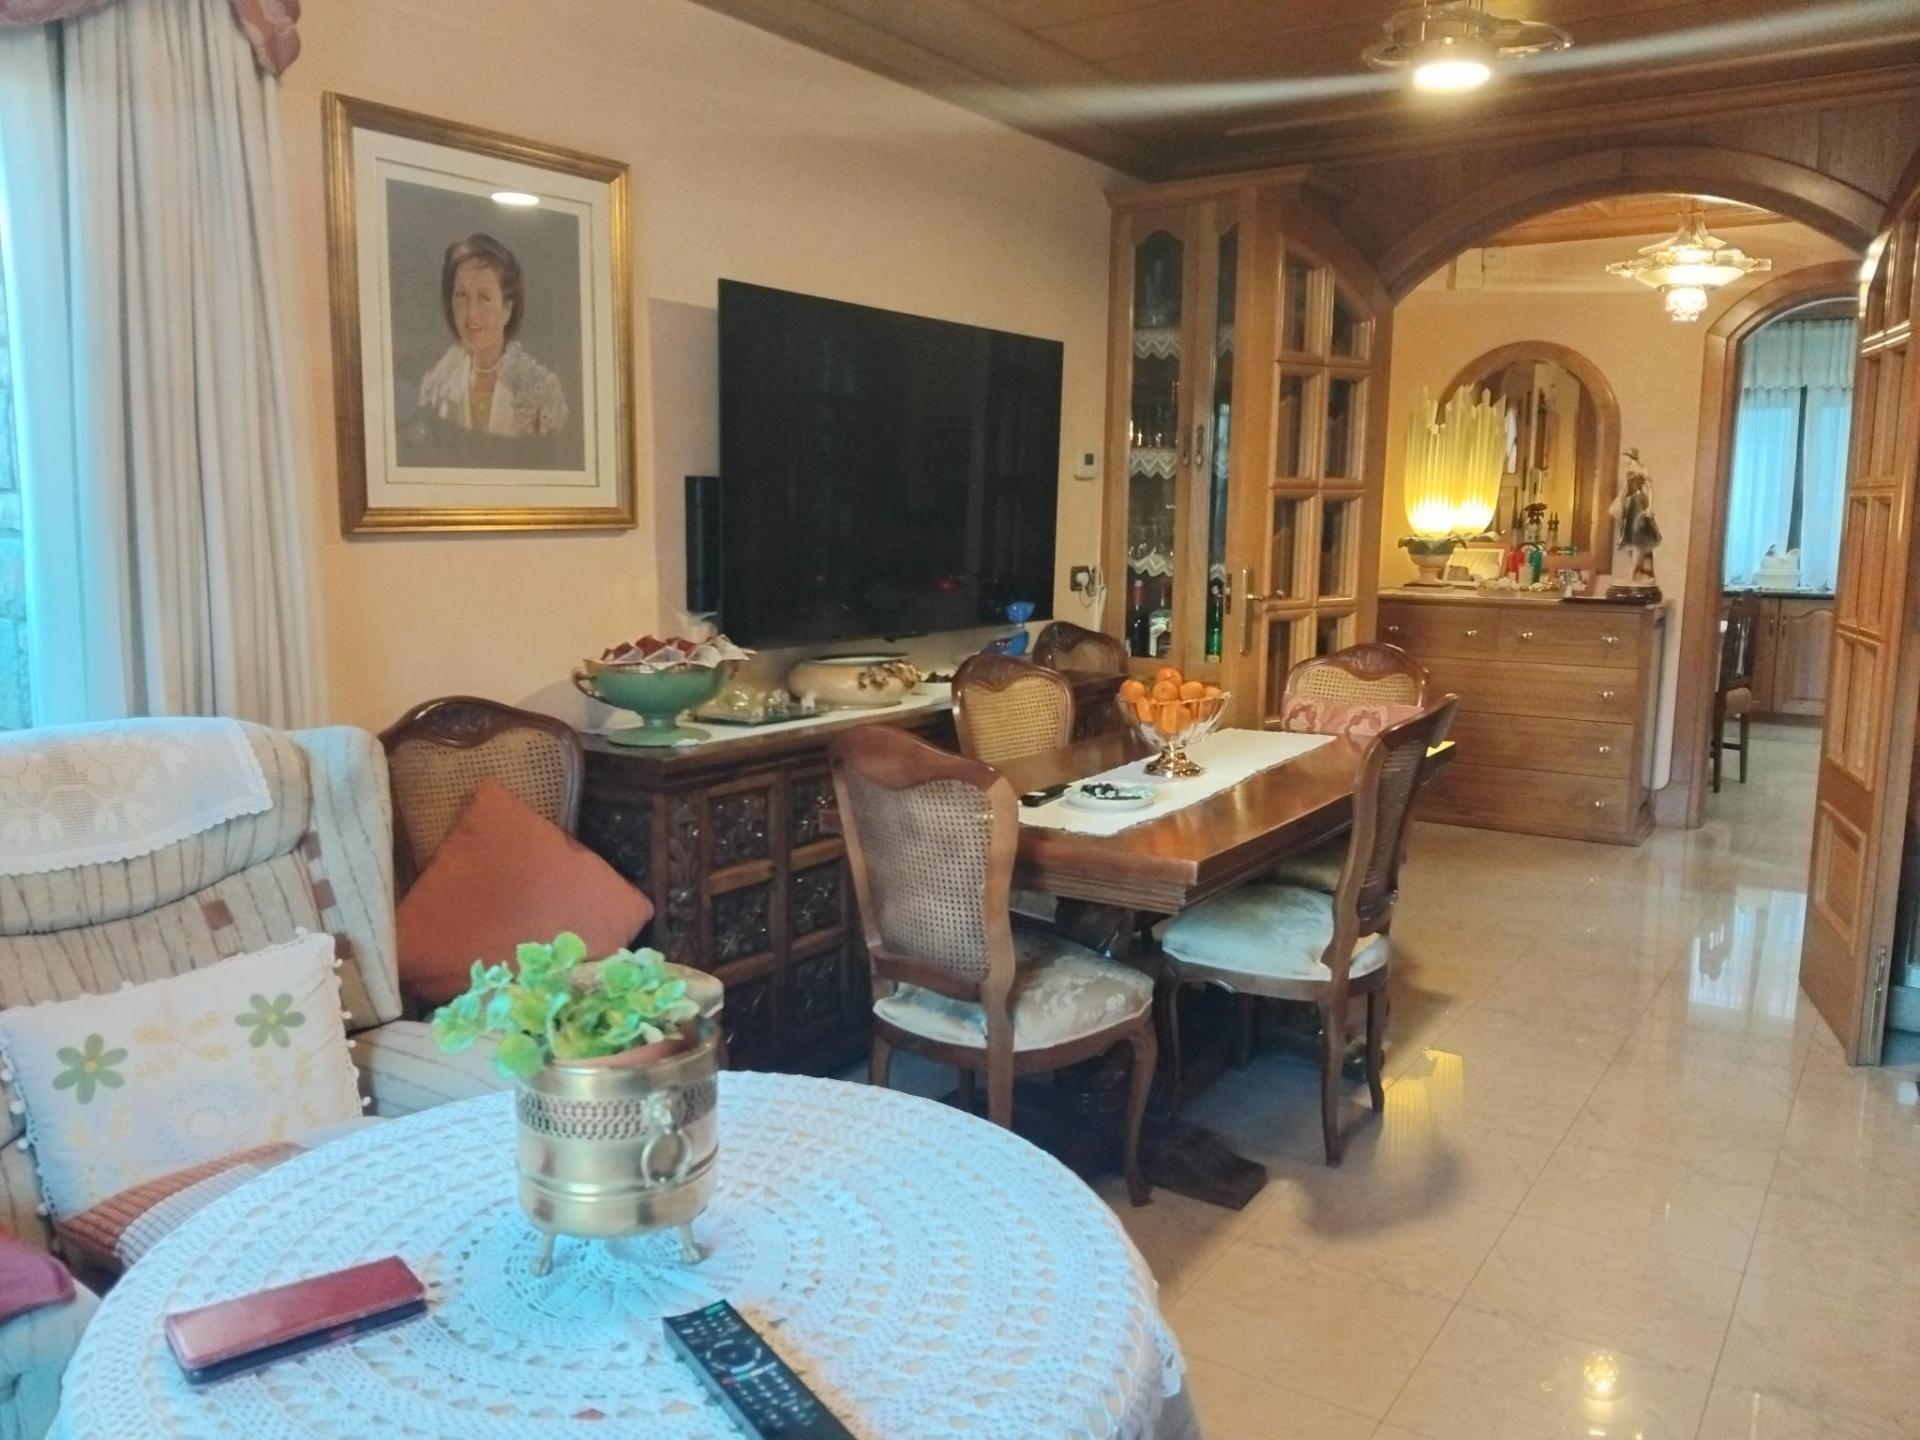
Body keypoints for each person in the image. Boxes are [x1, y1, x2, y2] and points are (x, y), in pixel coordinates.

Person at [415, 233, 567, 438]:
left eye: (484, 298)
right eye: (462, 295)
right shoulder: (436, 385)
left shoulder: (542, 391)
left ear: (507, 308)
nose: (471, 313)